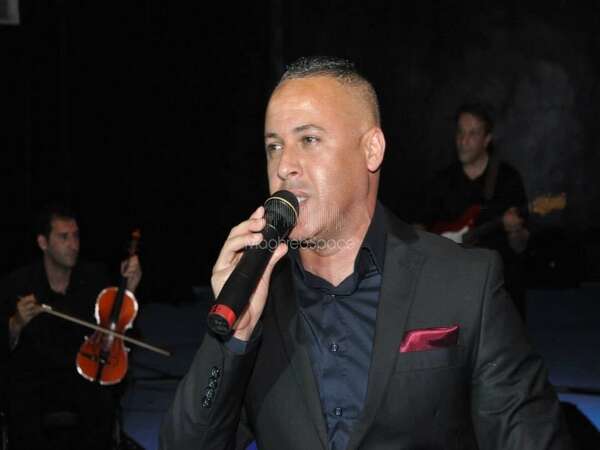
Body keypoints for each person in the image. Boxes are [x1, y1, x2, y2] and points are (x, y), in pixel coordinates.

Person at [159, 57, 572, 449]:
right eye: (274, 146)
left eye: (308, 139)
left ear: (371, 149)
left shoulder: (464, 282)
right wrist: (231, 338)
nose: (284, 165)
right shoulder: (259, 302)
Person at [0, 203, 142, 450]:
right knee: (21, 407)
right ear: (43, 243)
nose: (74, 245)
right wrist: (16, 324)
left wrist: (129, 289)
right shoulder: (17, 284)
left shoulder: (94, 278)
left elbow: (119, 332)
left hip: (82, 375)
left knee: (102, 402)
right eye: (64, 237)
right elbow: (6, 346)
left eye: (76, 236)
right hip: (34, 381)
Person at [415, 103, 530, 319]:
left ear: (487, 139)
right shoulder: (442, 181)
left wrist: (515, 231)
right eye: (460, 132)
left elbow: (520, 246)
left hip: (496, 287)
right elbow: (420, 225)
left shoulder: (508, 179)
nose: (463, 140)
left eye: (472, 134)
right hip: (452, 283)